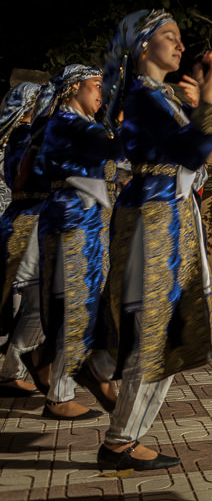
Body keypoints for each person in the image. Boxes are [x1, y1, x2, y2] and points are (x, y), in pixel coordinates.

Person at [99, 9, 212, 470]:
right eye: (169, 37)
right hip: (153, 220)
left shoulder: (165, 97)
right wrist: (209, 97)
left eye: (180, 38)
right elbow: (194, 149)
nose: (179, 45)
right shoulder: (142, 98)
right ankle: (119, 439)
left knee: (166, 331)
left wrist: (200, 104)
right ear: (142, 47)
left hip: (170, 217)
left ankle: (123, 432)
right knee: (155, 332)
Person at [35, 64, 122, 420]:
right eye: (96, 86)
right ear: (74, 88)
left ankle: (50, 372)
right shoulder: (67, 123)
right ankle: (59, 394)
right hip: (72, 218)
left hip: (78, 217)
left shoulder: (75, 125)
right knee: (77, 304)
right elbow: (112, 149)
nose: (100, 94)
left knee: (77, 303)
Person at [0, 82, 46, 396]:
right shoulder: (24, 136)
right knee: (32, 303)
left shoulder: (20, 136)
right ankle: (11, 371)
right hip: (24, 224)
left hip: (20, 221)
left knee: (22, 303)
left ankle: (12, 370)